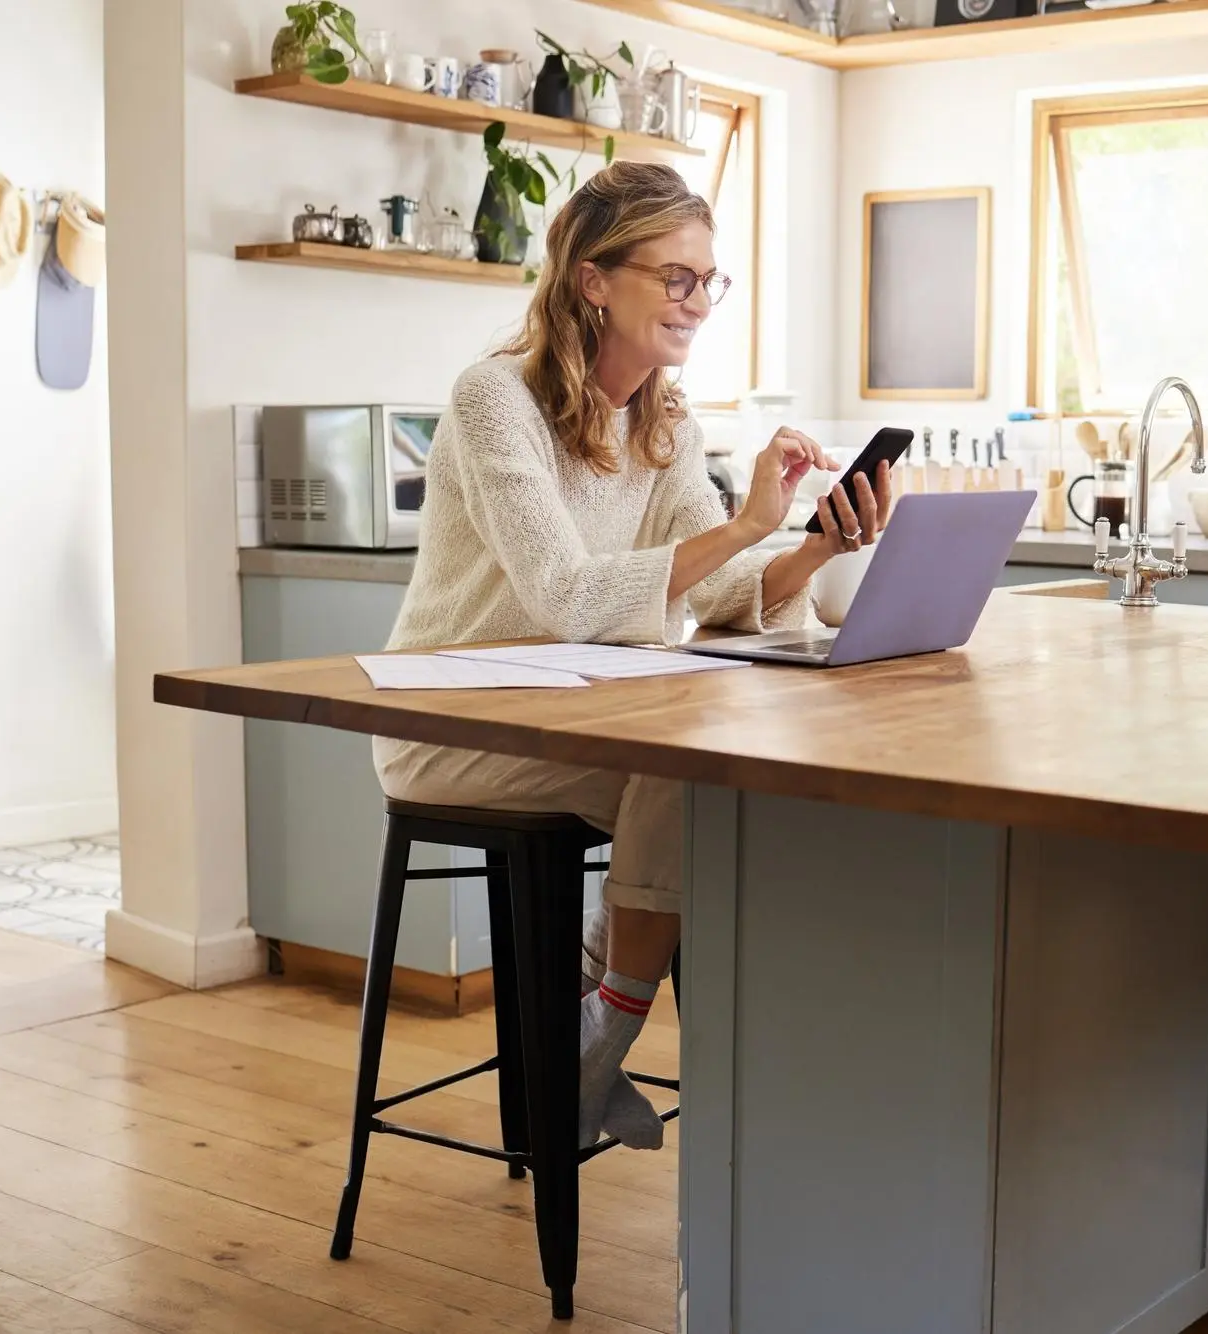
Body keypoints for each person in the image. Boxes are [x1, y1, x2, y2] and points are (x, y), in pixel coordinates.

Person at [374, 161, 890, 1148]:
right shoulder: (494, 400)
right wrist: (744, 526)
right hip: (448, 721)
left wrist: (815, 542)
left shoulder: (663, 417)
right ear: (594, 280)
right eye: (677, 277)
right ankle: (598, 1037)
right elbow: (565, 595)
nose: (697, 302)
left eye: (708, 281)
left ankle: (608, 1019)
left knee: (725, 771)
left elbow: (719, 598)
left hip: (586, 715)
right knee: (688, 761)